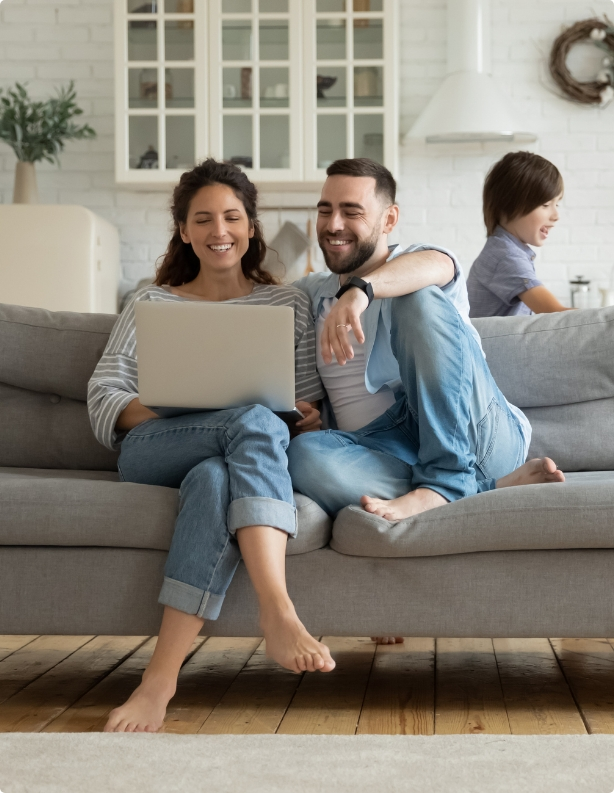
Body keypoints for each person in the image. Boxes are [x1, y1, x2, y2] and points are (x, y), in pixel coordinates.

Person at [87, 159, 336, 734]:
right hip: (155, 447)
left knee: (215, 480)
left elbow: (304, 400)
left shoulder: (288, 305)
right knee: (248, 420)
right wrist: (179, 404)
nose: (218, 230)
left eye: (232, 217)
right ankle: (278, 610)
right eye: (203, 219)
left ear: (251, 227)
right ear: (184, 230)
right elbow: (104, 392)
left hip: (230, 458)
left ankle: (159, 681)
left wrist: (308, 414)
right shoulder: (152, 304)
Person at [288, 157, 565, 530]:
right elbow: (258, 306)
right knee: (302, 456)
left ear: (388, 220)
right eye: (326, 211)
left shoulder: (417, 261)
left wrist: (361, 290)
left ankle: (447, 478)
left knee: (414, 295)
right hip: (389, 447)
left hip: (477, 431)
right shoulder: (310, 293)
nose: (334, 224)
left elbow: (437, 265)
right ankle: (484, 488)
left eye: (351, 211)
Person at [467, 151, 573, 318]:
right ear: (508, 205)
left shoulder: (508, 250)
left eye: (556, 204)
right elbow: (557, 315)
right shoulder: (506, 257)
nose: (556, 215)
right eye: (545, 204)